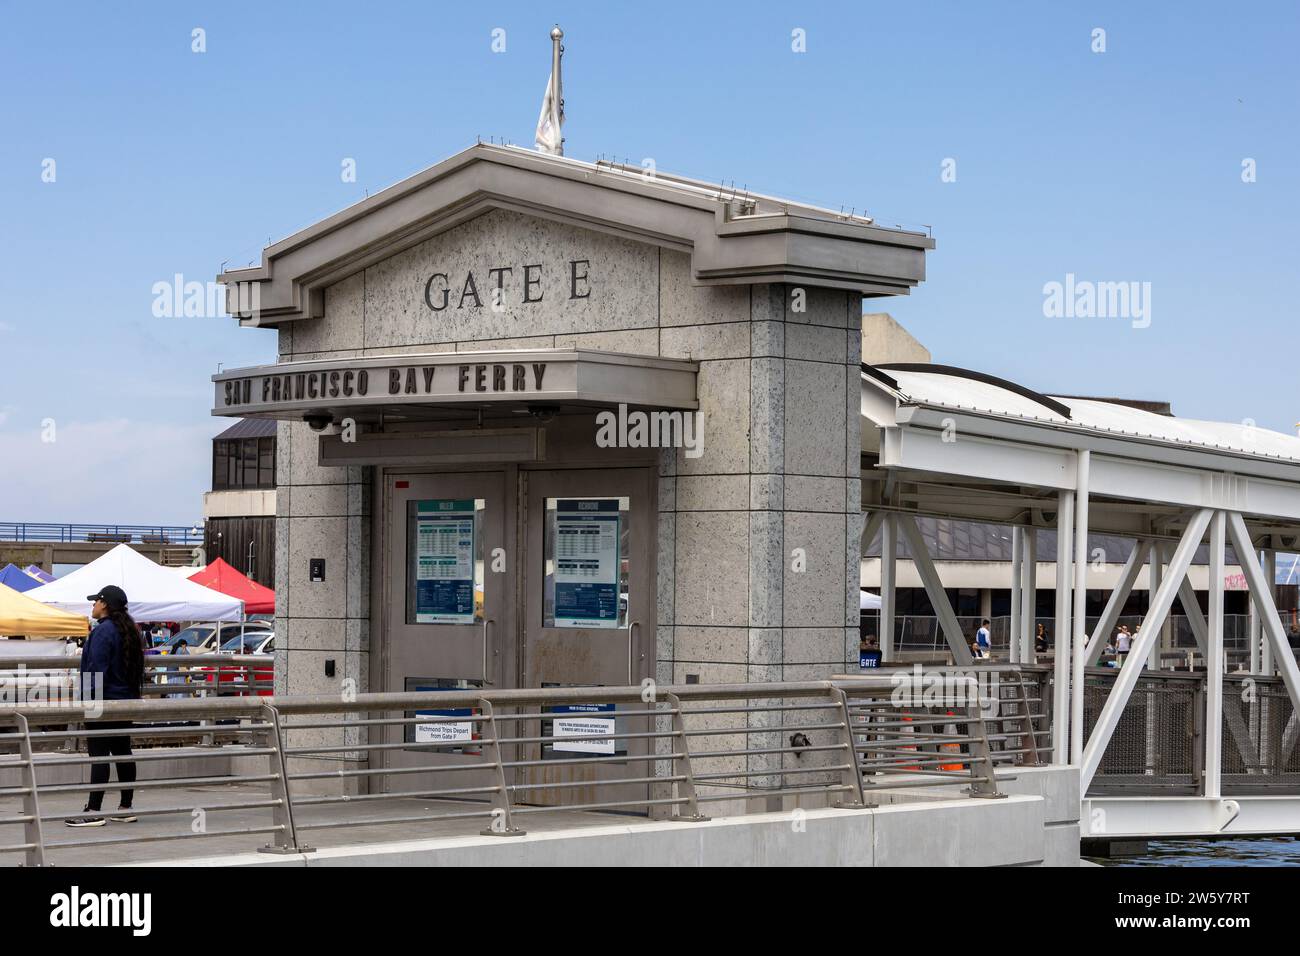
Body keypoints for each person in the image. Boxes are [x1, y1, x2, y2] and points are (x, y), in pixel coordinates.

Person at [64, 585, 146, 828]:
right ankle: (126, 806)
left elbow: (96, 670)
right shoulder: (129, 630)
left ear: (105, 604)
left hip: (102, 701)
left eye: (96, 601)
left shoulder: (103, 632)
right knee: (122, 751)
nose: (93, 605)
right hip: (124, 701)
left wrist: (88, 704)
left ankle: (94, 810)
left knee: (98, 755)